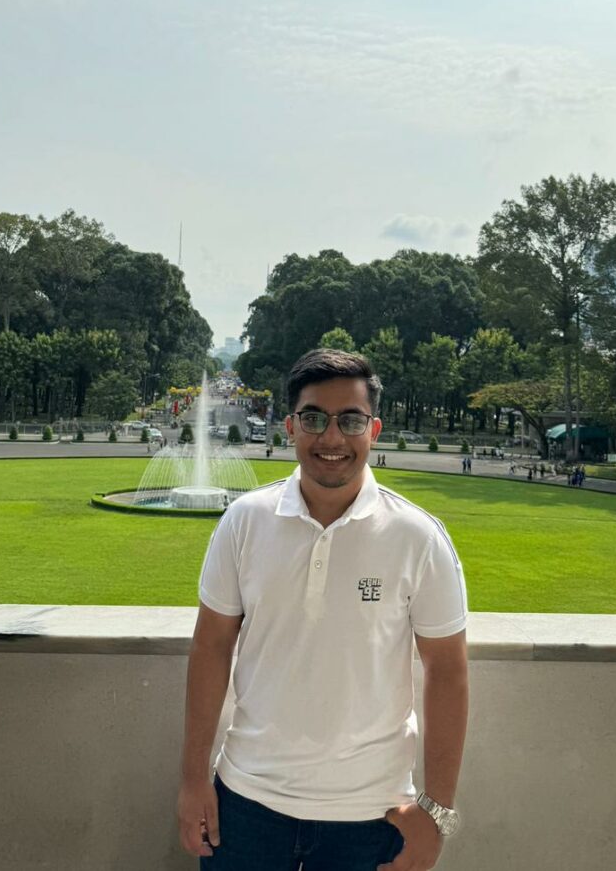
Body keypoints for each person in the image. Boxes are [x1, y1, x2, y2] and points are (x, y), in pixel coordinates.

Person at [178, 348, 468, 870]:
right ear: (290, 426)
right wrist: (192, 779)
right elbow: (211, 647)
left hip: (372, 814)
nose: (331, 438)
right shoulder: (244, 521)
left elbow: (447, 671)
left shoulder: (418, 537)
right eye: (314, 418)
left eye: (350, 420)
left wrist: (437, 812)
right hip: (245, 803)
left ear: (373, 430)